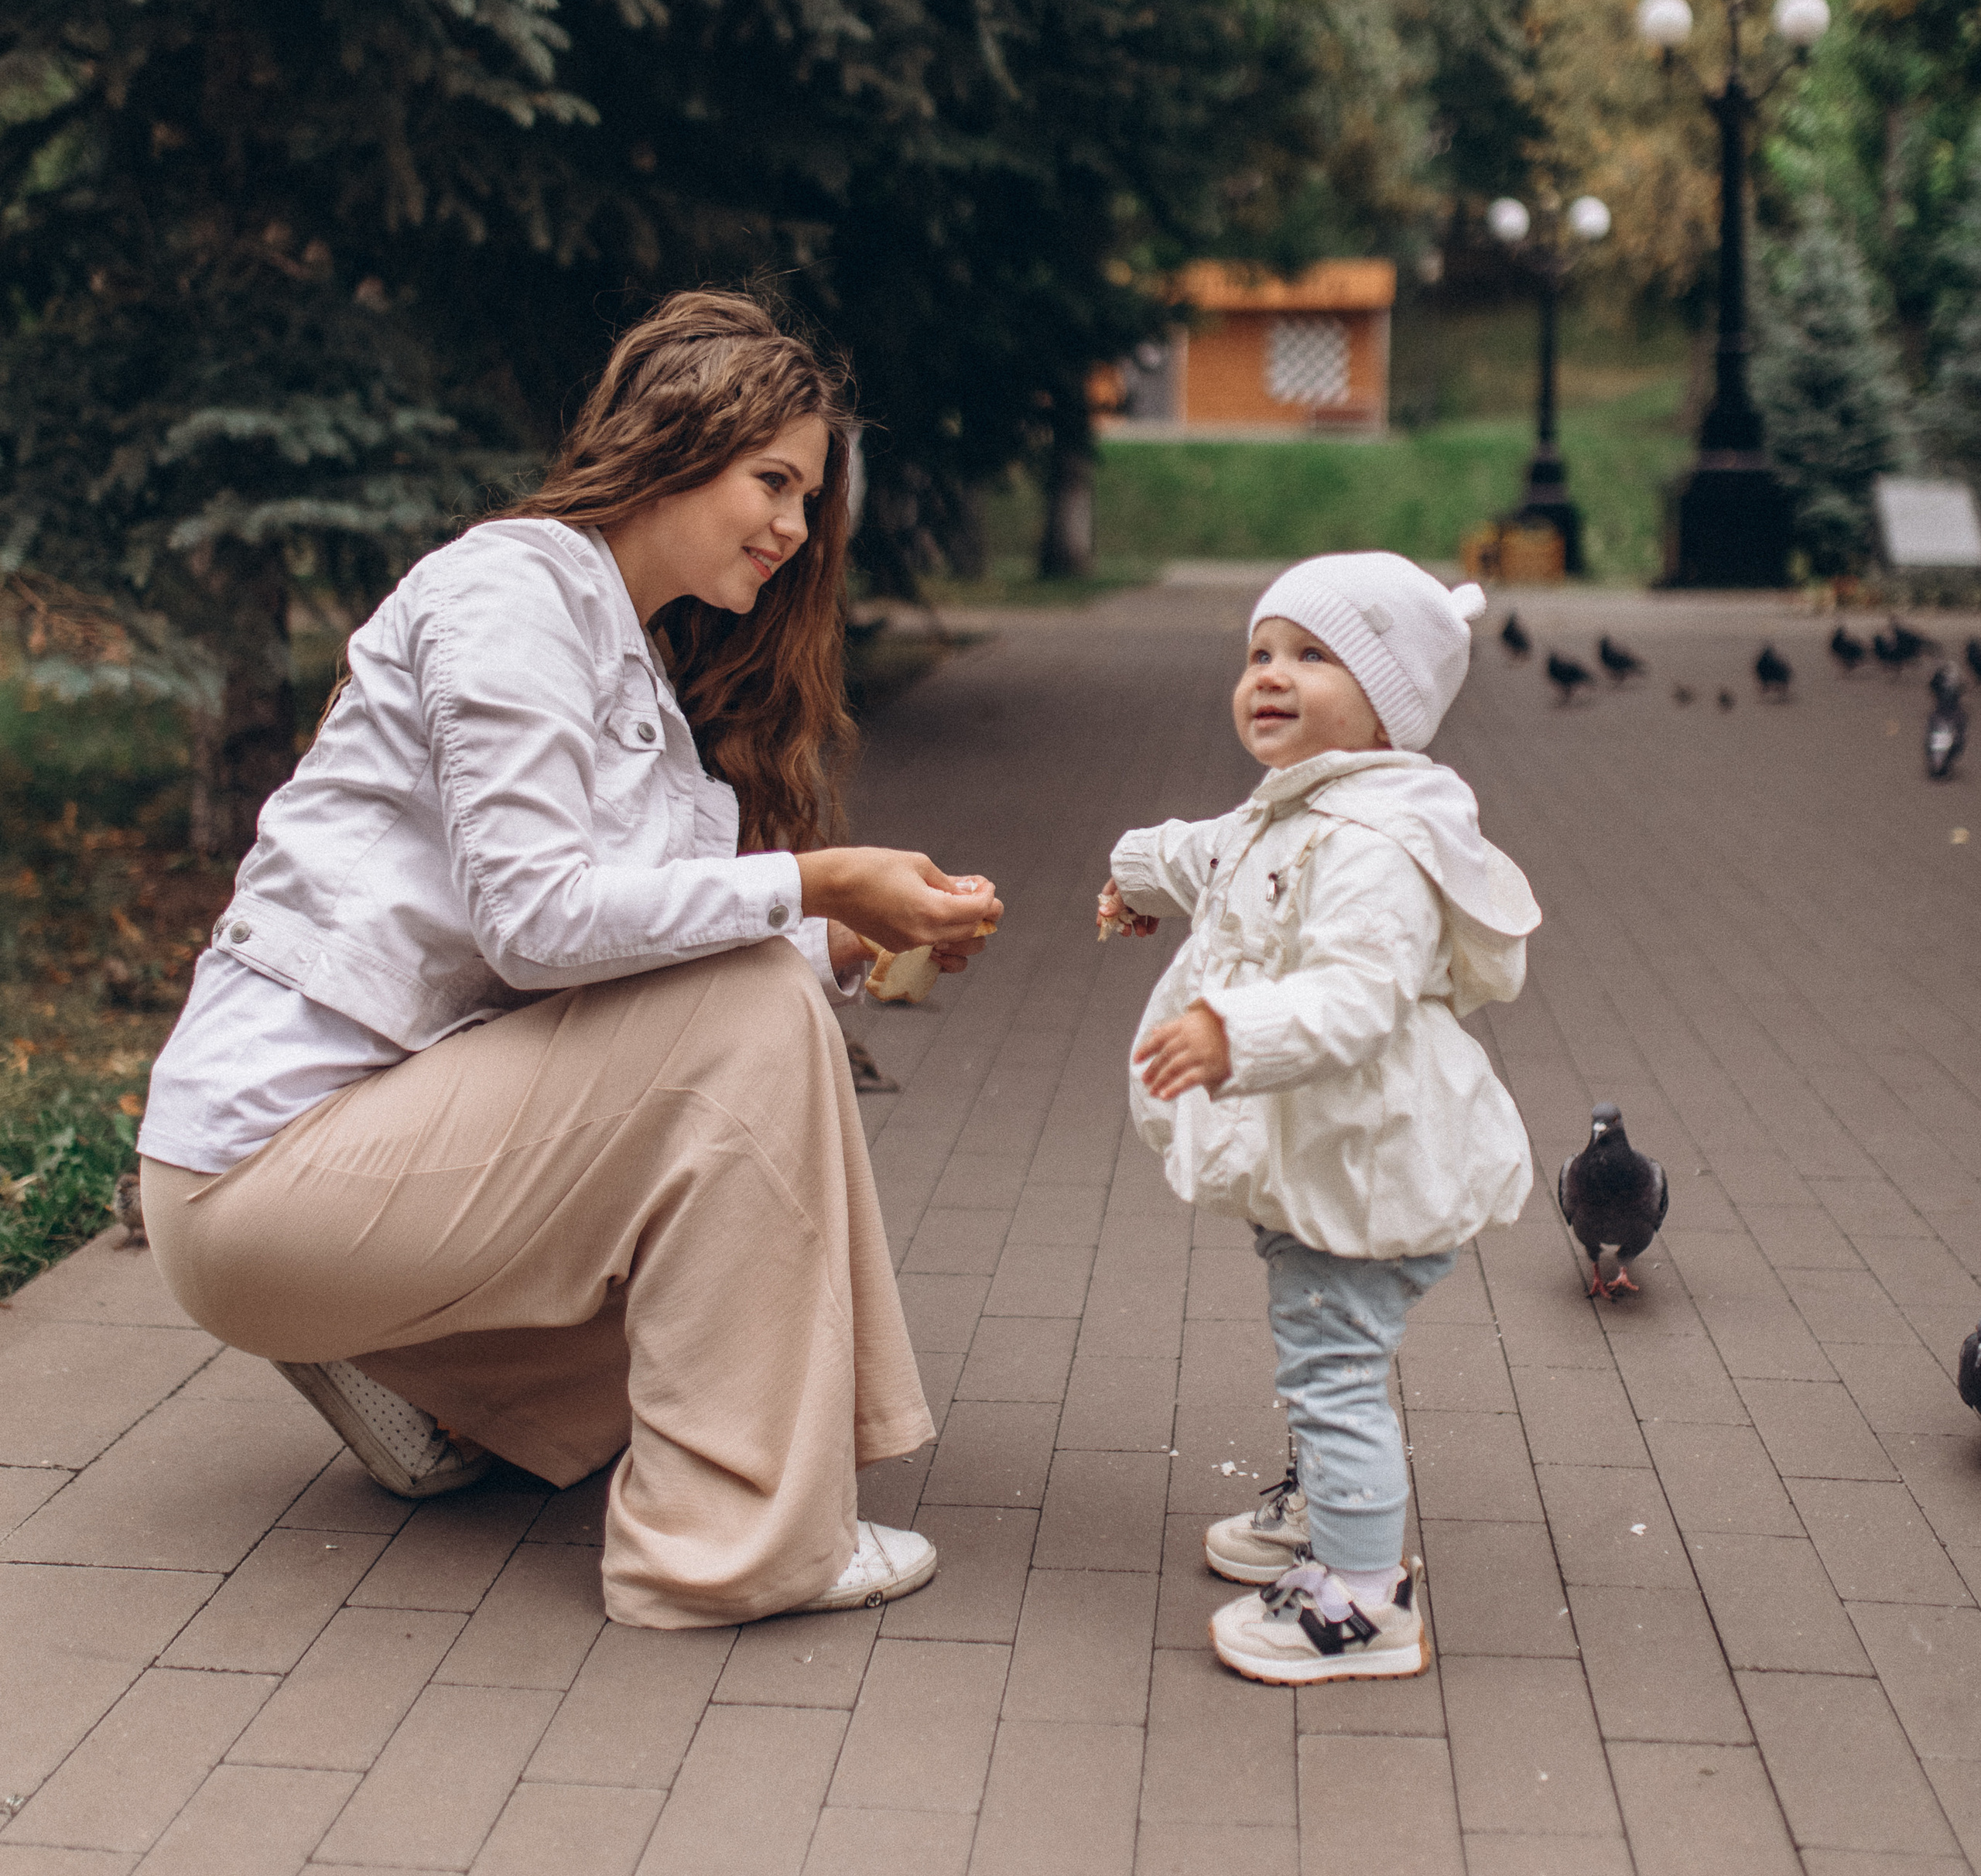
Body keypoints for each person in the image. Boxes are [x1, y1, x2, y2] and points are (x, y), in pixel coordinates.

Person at [137, 289, 999, 1630]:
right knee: (750, 1014)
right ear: (677, 439)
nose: (790, 530)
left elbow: (631, 935)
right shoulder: (508, 590)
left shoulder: (623, 648)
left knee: (765, 1025)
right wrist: (811, 881)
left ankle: (437, 1387)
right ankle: (719, 1555)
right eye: (772, 482)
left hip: (346, 1155)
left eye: (808, 502)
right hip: (259, 1176)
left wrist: (845, 933)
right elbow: (538, 927)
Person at [1097, 553, 1538, 1686]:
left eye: (1313, 655)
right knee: (1321, 1348)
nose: (1271, 675)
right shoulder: (1291, 811)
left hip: (1375, 1162)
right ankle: (1322, 1519)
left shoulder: (1375, 845)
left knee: (1333, 1365)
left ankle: (1359, 1600)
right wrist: (1133, 878)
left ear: (1390, 702)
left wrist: (1235, 1033)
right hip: (1326, 1162)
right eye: (1259, 653)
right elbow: (1207, 854)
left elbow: (1356, 997)